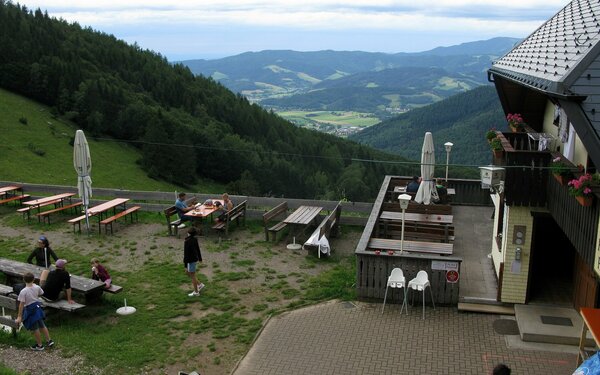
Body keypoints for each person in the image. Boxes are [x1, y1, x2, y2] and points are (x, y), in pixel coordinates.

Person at [15, 272, 54, 351]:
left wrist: (19, 316)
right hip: (37, 308)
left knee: (35, 328)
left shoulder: (23, 291)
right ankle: (49, 340)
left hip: (30, 310)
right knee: (42, 325)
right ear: (33, 279)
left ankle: (40, 346)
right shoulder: (37, 287)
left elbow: (21, 305)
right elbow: (41, 293)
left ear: (23, 280)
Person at [184, 227, 204, 297]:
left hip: (190, 261)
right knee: (189, 273)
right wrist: (200, 259)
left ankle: (196, 292)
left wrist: (185, 266)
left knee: (192, 276)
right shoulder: (195, 239)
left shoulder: (187, 241)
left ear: (189, 233)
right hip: (194, 259)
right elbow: (198, 249)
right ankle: (199, 284)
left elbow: (186, 254)